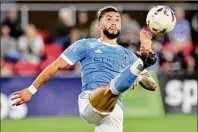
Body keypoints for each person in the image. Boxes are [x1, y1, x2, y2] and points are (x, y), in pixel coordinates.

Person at [11, 6, 157, 132]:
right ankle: (135, 69)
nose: (114, 22)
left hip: (113, 110)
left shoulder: (128, 55)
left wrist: (138, 77)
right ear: (100, 25)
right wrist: (31, 90)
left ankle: (137, 69)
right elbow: (55, 66)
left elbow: (153, 86)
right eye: (109, 19)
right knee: (113, 89)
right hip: (90, 101)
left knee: (120, 87)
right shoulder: (86, 45)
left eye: (117, 19)